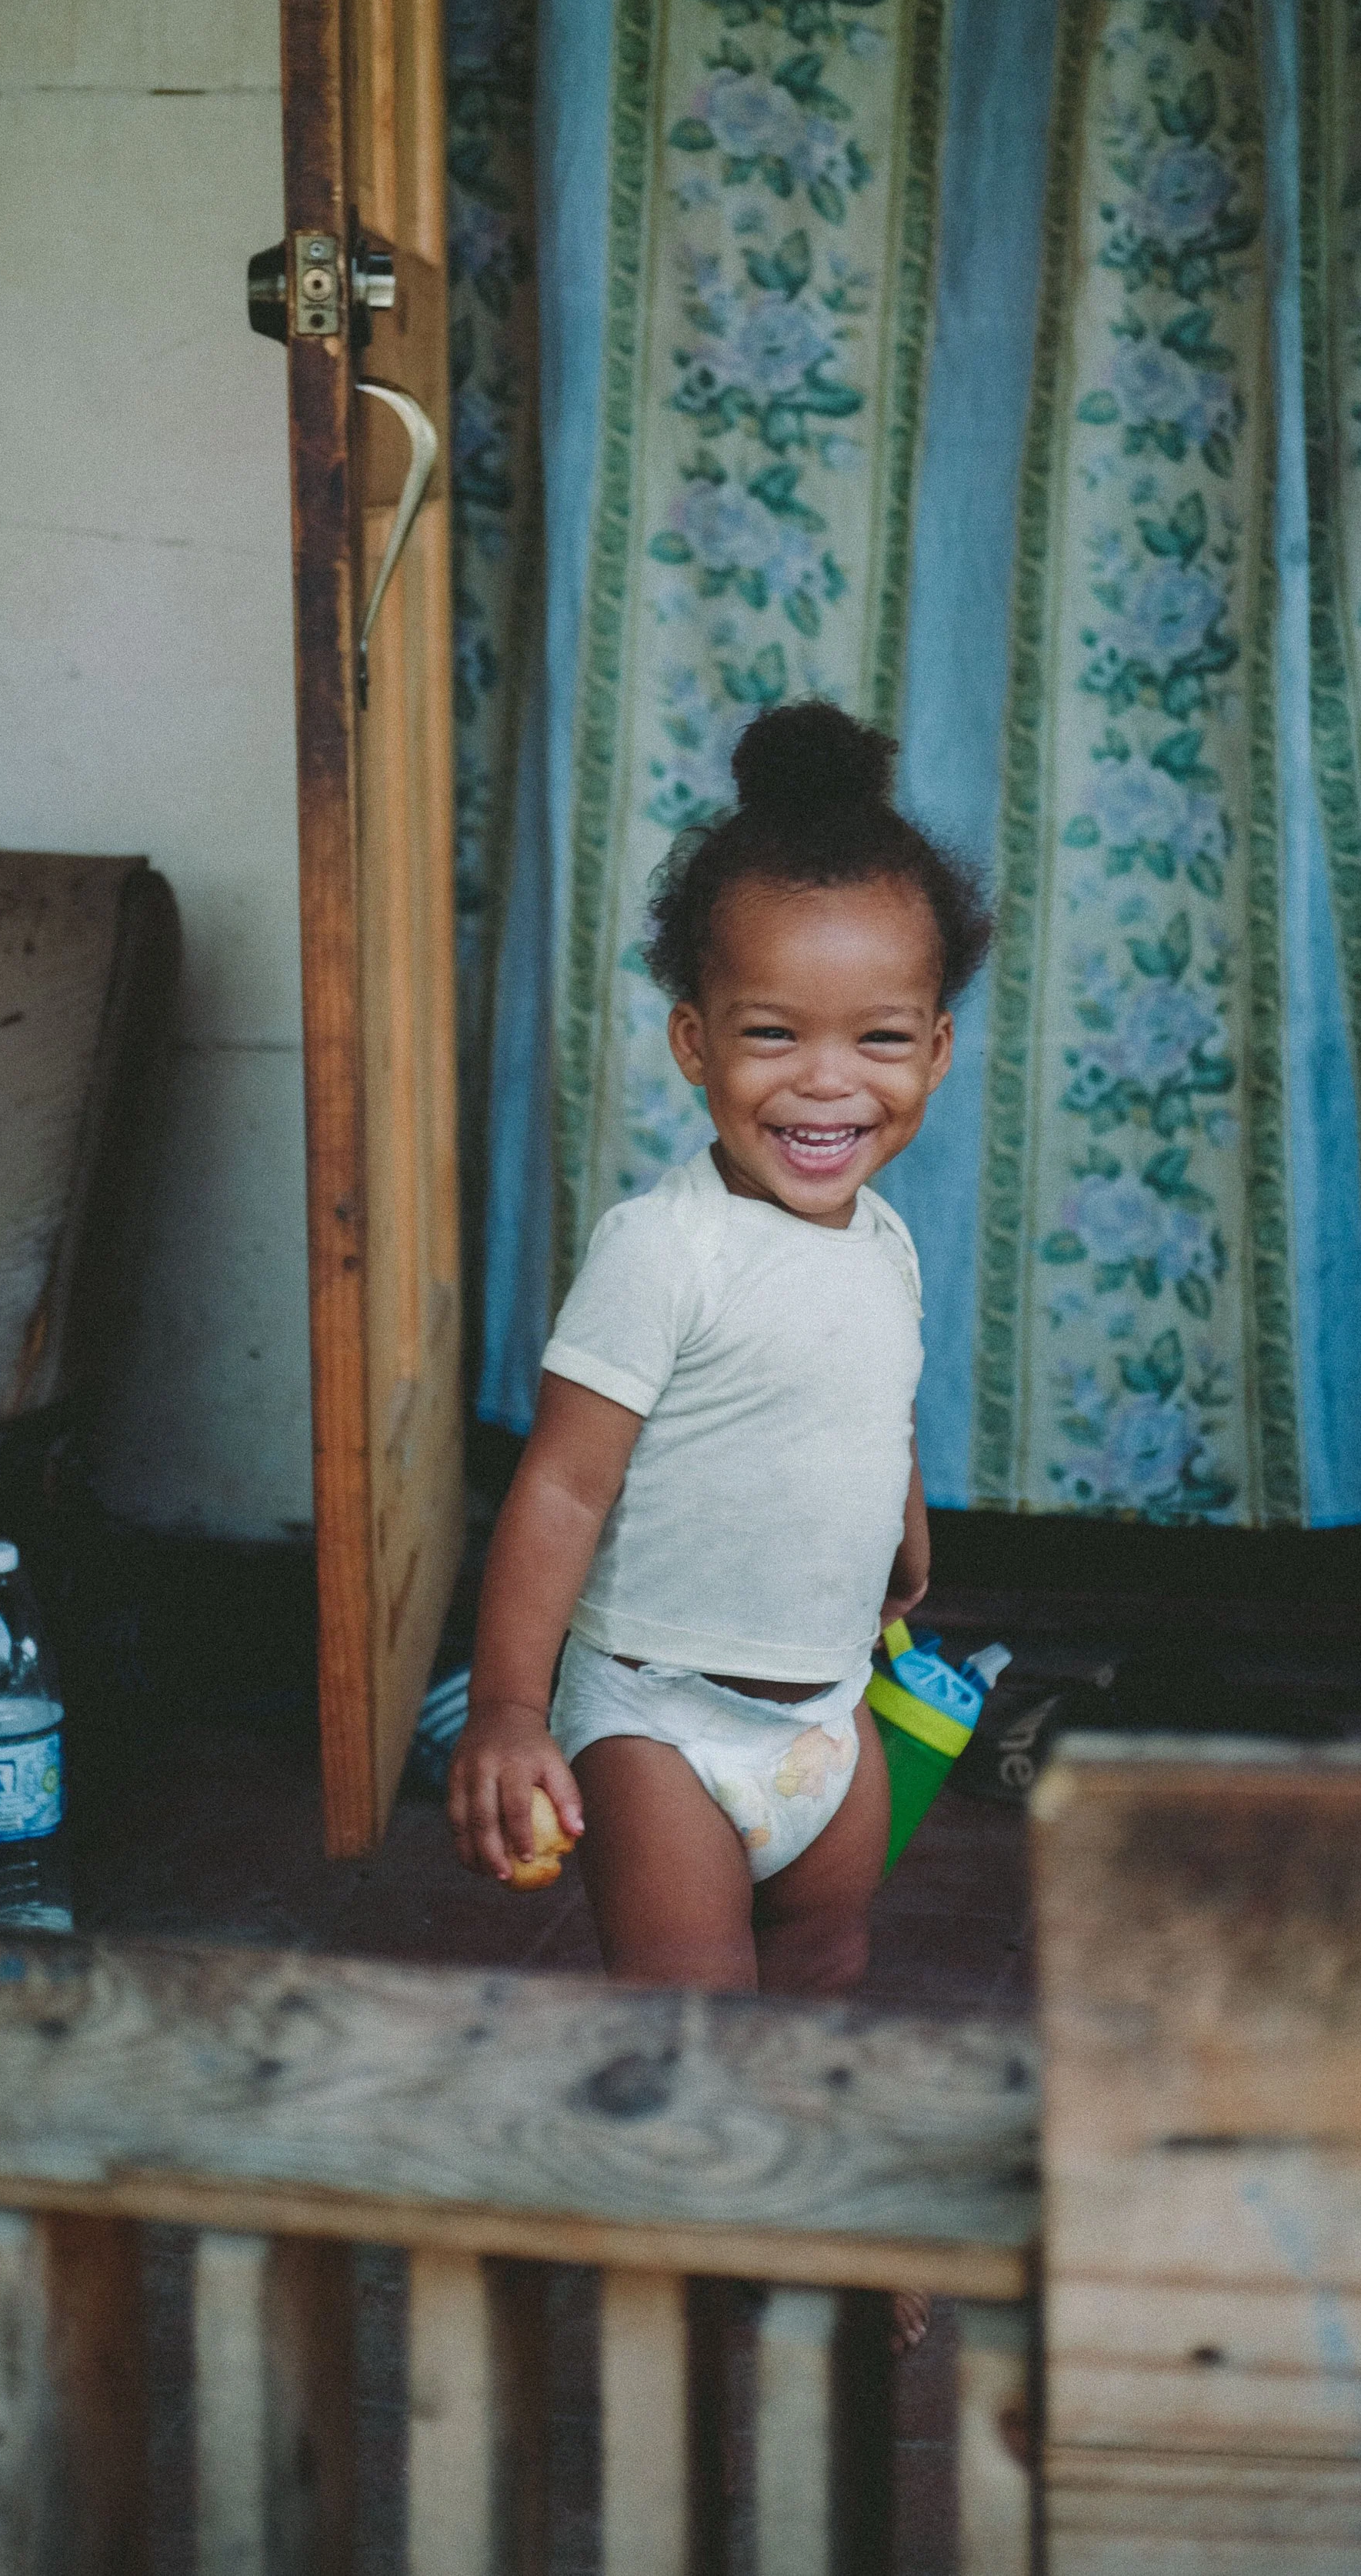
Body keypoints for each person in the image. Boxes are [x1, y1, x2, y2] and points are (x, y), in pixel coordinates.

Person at [451, 693, 990, 2011]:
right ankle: (665, 2217)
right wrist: (511, 1709)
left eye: (877, 1038)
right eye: (772, 1033)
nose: (826, 1083)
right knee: (690, 2009)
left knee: (823, 1972)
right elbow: (564, 1487)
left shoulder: (889, 1246)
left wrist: (907, 1536)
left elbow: (877, 1406)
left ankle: (773, 2220)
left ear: (936, 1049)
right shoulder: (663, 1248)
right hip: (659, 1718)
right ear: (696, 1040)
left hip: (825, 1714)